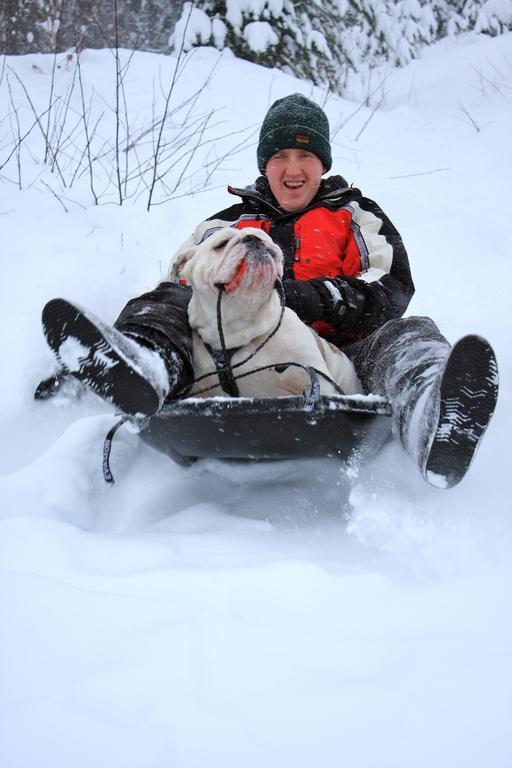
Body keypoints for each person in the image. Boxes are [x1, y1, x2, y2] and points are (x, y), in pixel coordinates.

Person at [41, 94, 498, 489]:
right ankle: (141, 365)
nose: (293, 169)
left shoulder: (355, 216)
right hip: (236, 351)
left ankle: (433, 414)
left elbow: (390, 288)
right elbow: (179, 281)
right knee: (170, 300)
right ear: (265, 164)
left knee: (409, 333)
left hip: (347, 352)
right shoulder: (231, 223)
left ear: (324, 164)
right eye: (280, 156)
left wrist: (301, 298)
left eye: (306, 157)